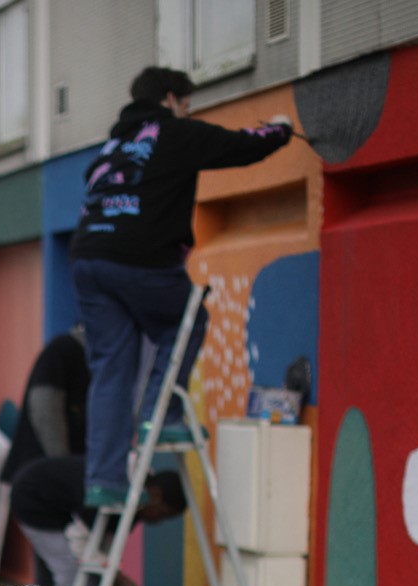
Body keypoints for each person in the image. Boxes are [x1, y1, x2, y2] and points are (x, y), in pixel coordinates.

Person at [72, 67, 297, 509]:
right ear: (171, 99)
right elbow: (240, 148)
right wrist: (281, 130)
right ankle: (162, 414)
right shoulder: (171, 132)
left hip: (86, 258)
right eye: (188, 104)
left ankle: (103, 480)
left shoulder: (110, 148)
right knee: (189, 319)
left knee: (112, 368)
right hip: (139, 257)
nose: (188, 111)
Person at [9, 454, 187, 586]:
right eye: (163, 514)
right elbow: (80, 545)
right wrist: (120, 579)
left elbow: (106, 548)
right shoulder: (115, 492)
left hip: (64, 509)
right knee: (71, 573)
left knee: (99, 582)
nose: (159, 521)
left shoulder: (138, 501)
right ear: (155, 496)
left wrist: (112, 580)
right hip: (33, 500)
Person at [0, 329, 91, 486]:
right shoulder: (65, 350)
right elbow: (44, 409)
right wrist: (64, 470)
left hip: (61, 472)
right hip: (39, 473)